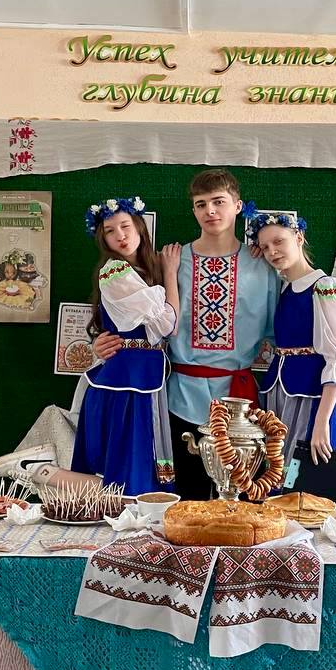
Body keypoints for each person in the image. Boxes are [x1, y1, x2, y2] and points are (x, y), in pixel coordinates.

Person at [94, 170, 280, 499]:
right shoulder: (169, 262)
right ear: (193, 210)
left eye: (219, 202)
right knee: (183, 501)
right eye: (201, 204)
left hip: (239, 402)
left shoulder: (262, 265)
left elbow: (282, 332)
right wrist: (102, 342)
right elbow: (132, 315)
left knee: (241, 504)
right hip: (179, 396)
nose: (210, 211)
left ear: (238, 206)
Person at [71, 195, 179, 493]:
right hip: (125, 384)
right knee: (127, 471)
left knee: (143, 463)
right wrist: (171, 273)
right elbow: (168, 325)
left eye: (125, 226)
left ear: (139, 227)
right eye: (110, 230)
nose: (120, 235)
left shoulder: (146, 271)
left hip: (145, 378)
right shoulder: (114, 272)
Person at [251, 208, 336, 465]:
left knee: (307, 478)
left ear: (299, 237)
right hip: (281, 397)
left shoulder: (325, 287)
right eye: (265, 247)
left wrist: (322, 423)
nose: (272, 252)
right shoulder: (283, 288)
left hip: (313, 401)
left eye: (279, 241)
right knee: (279, 476)